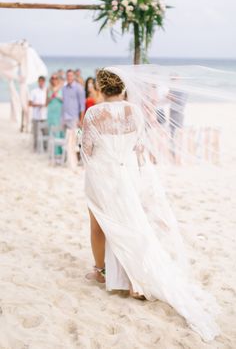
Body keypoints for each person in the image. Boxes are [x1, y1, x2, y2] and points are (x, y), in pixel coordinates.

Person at [81, 68, 219, 341]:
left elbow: (87, 149)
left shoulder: (94, 114)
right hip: (129, 172)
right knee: (133, 224)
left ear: (101, 88)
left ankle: (101, 271)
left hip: (102, 174)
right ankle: (136, 281)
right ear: (123, 86)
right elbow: (139, 148)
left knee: (99, 225)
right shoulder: (135, 112)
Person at [62, 69, 85, 169]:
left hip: (74, 118)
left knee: (75, 141)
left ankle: (74, 162)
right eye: (67, 76)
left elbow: (82, 106)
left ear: (73, 77)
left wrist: (81, 119)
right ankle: (69, 160)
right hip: (65, 117)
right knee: (68, 141)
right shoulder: (64, 88)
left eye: (71, 76)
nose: (69, 78)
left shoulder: (79, 88)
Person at [29, 76, 47, 152]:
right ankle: (35, 148)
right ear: (38, 82)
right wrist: (38, 105)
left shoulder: (47, 91)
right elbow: (29, 103)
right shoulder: (34, 91)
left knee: (45, 133)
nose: (41, 83)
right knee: (36, 134)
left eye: (42, 81)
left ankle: (45, 148)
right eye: (40, 81)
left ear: (44, 82)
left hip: (45, 116)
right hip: (36, 116)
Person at [47, 73, 63, 156]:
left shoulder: (62, 89)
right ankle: (53, 152)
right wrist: (51, 96)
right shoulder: (48, 89)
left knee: (59, 132)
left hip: (59, 112)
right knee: (52, 132)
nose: (54, 80)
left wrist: (57, 95)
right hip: (51, 113)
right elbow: (46, 103)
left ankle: (60, 152)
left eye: (56, 78)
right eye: (53, 78)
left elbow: (65, 101)